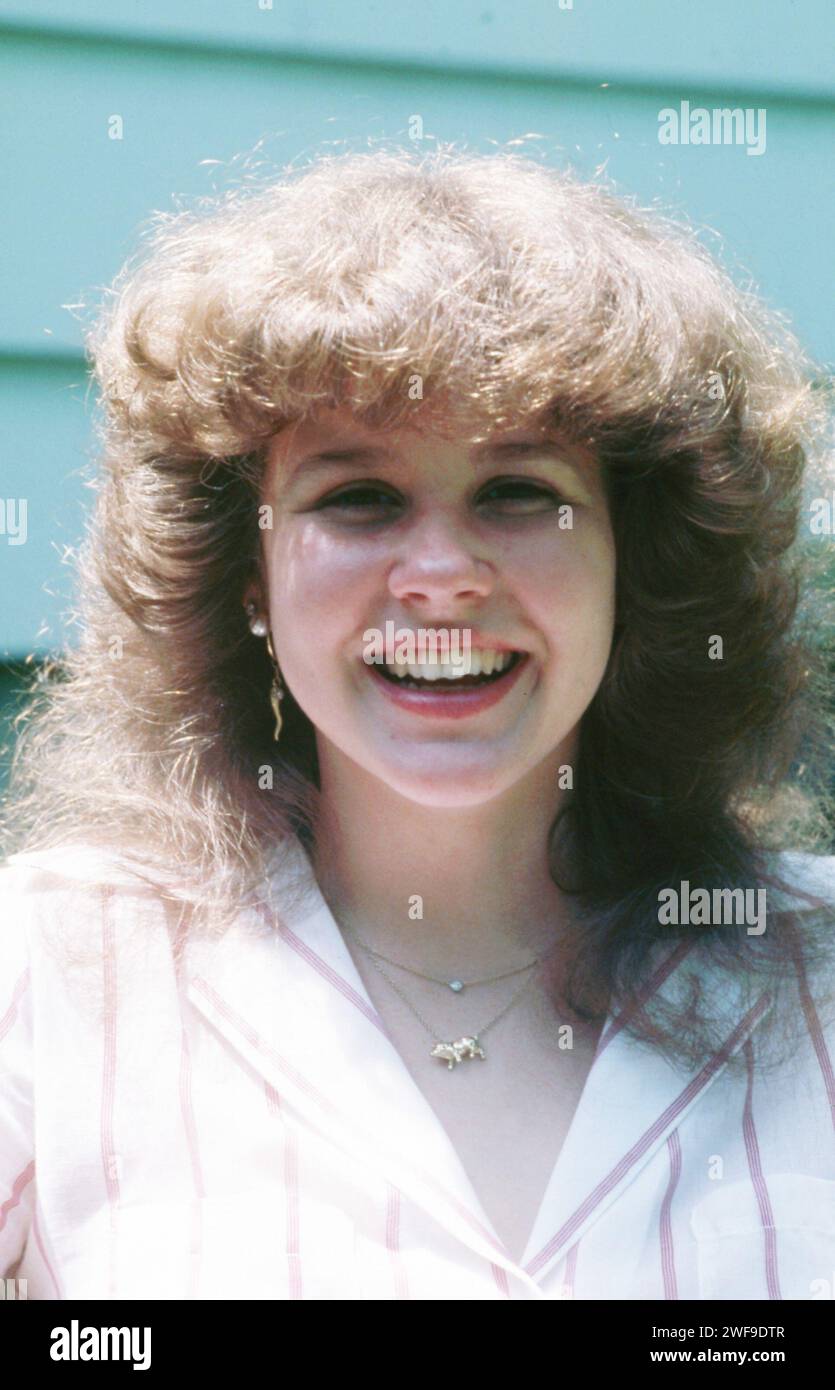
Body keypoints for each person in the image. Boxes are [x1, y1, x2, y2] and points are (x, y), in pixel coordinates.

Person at [1, 146, 834, 1301]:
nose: (441, 574)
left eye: (518, 492)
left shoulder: (819, 972)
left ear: (631, 555)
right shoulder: (44, 975)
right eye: (358, 497)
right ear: (246, 575)